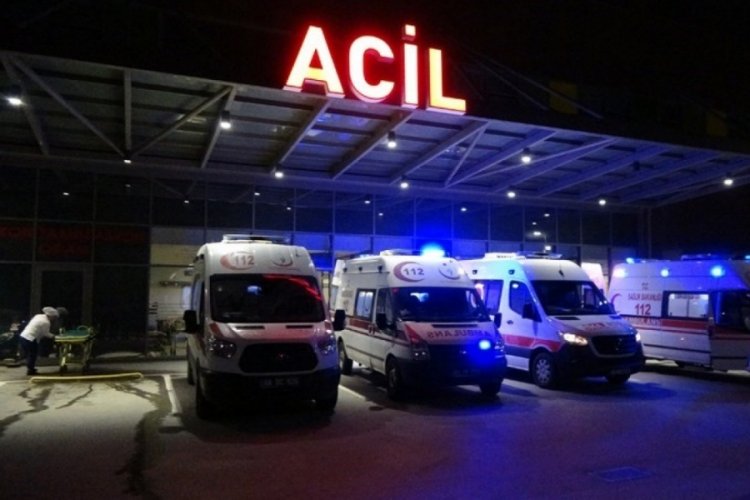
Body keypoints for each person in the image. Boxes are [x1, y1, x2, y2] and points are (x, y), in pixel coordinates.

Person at [19, 307, 59, 375]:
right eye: (54, 317)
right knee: (32, 354)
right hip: (30, 338)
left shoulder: (38, 316)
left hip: (23, 336)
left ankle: (30, 368)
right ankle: (30, 370)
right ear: (50, 316)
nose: (54, 319)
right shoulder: (46, 322)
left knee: (30, 354)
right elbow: (45, 333)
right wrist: (54, 336)